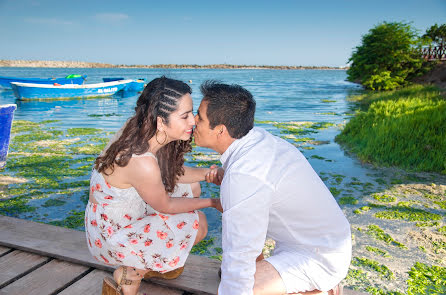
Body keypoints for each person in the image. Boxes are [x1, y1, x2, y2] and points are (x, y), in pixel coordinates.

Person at [193, 81, 352, 295]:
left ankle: (320, 288)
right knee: (229, 274)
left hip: (319, 255)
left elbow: (240, 254)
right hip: (315, 242)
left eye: (199, 117)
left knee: (238, 283)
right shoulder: (256, 139)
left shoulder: (245, 174)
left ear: (220, 130)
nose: (193, 120)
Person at [85, 76, 222, 295]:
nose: (193, 121)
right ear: (161, 121)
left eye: (191, 113)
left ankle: (152, 263)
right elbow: (165, 205)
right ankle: (130, 275)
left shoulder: (140, 130)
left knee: (193, 187)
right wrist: (214, 202)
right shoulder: (141, 160)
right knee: (200, 223)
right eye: (185, 116)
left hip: (115, 217)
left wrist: (209, 175)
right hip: (111, 237)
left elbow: (171, 175)